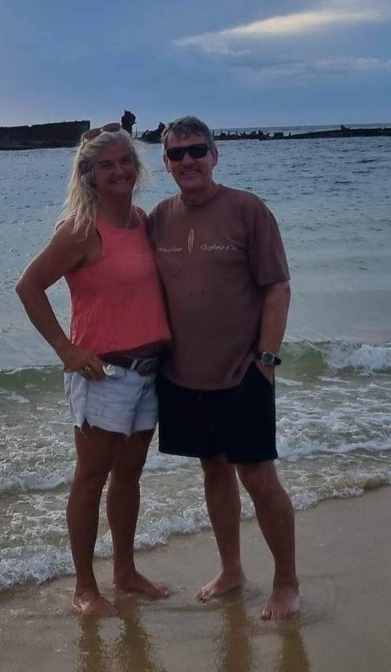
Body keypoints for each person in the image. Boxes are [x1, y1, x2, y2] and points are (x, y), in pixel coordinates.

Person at [147, 115, 300, 620]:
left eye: (196, 151)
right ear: (165, 163)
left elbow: (277, 287)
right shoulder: (159, 219)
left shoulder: (247, 209)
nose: (187, 161)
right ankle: (231, 570)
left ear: (215, 155)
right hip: (183, 374)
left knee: (259, 478)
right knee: (214, 471)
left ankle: (287, 584)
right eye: (176, 154)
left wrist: (268, 359)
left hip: (243, 370)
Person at [16, 123, 171, 617]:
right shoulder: (81, 230)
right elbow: (29, 286)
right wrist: (66, 349)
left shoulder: (141, 221)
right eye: (107, 165)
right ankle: (85, 587)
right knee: (91, 478)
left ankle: (124, 572)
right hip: (104, 373)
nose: (119, 171)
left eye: (126, 161)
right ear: (90, 175)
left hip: (149, 372)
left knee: (130, 474)